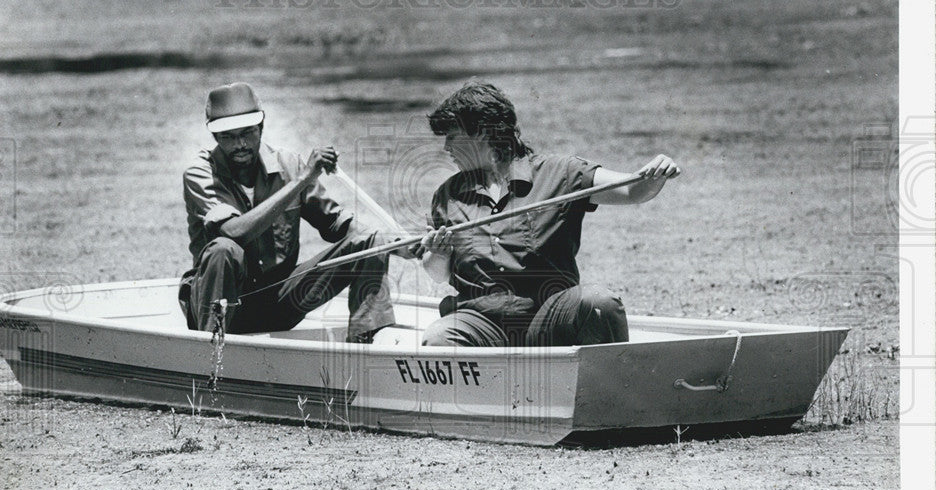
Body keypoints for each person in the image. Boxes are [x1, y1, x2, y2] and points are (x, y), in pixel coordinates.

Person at [419, 80, 680, 348]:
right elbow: (437, 273)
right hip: (480, 324)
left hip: (549, 320)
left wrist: (656, 173)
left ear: (483, 133)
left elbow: (631, 190)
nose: (446, 147)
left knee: (599, 302)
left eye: (453, 136)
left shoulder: (561, 173)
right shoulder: (447, 195)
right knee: (438, 338)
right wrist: (438, 253)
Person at [180, 82, 396, 342]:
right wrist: (301, 181)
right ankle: (208, 353)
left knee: (370, 240)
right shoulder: (200, 172)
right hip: (219, 307)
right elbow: (234, 232)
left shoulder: (289, 164)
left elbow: (336, 224)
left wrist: (396, 243)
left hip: (278, 301)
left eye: (247, 133)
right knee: (224, 249)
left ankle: (363, 344)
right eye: (228, 136)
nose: (240, 144)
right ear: (215, 137)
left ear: (261, 127)